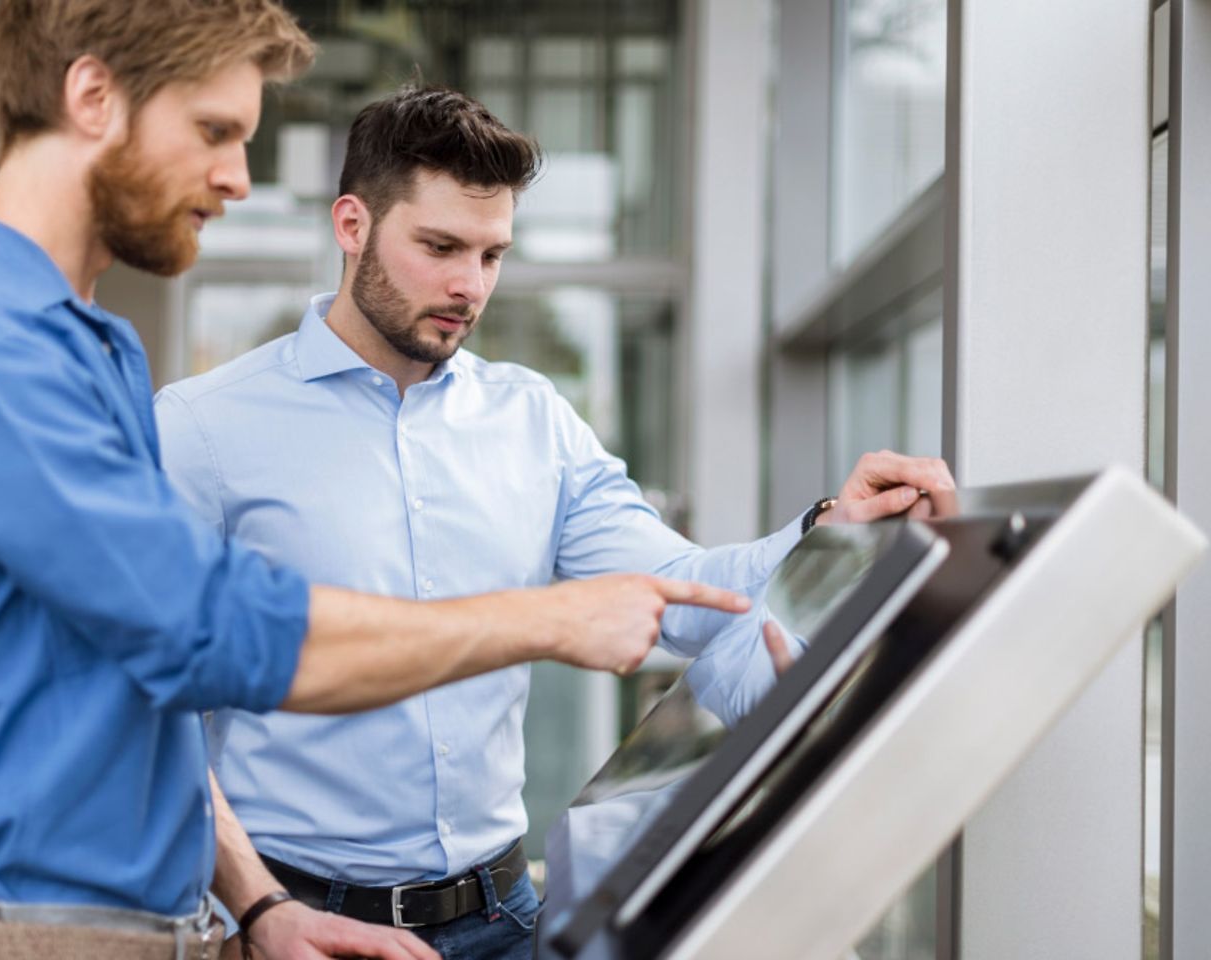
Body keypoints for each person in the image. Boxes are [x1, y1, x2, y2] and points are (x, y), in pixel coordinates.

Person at [0, 6, 752, 960]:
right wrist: (545, 620)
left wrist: (264, 906)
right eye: (215, 131)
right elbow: (213, 631)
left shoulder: (91, 346)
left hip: (151, 928)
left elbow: (144, 699)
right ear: (93, 96)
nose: (237, 175)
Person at [154, 84, 956, 960]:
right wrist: (257, 911)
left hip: (506, 922)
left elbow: (686, 597)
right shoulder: (200, 432)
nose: (470, 285)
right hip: (303, 927)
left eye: (493, 254)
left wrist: (834, 530)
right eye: (440, 246)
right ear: (352, 225)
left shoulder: (533, 420)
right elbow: (151, 707)